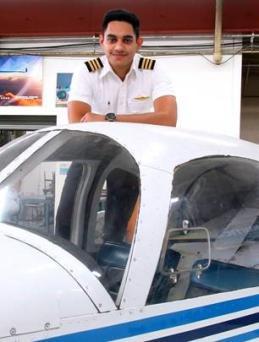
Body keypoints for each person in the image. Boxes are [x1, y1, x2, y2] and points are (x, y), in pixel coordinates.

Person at [68, 8, 177, 126]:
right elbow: (76, 122)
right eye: (112, 39)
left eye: (127, 40)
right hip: (100, 143)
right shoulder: (86, 71)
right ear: (101, 41)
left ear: (138, 43)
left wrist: (108, 119)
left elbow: (168, 119)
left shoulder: (154, 70)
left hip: (140, 142)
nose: (119, 47)